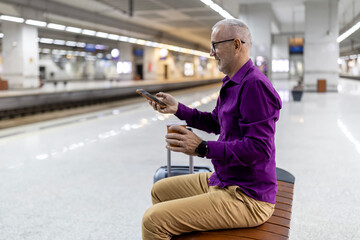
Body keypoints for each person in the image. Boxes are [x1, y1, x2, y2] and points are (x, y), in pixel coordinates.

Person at [142, 19, 282, 240]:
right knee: (159, 190)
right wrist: (177, 109)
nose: (211, 52)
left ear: (237, 45)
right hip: (225, 179)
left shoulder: (255, 86)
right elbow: (216, 122)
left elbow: (259, 148)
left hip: (248, 197)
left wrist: (203, 148)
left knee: (153, 220)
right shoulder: (232, 82)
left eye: (215, 45)